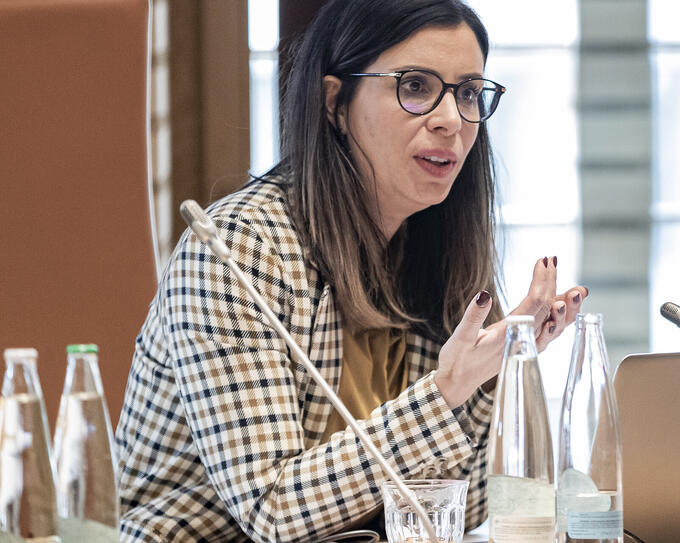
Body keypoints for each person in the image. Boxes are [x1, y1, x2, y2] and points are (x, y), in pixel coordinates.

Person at [115, 1, 587, 541]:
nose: (451, 119)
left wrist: (500, 373)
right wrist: (448, 389)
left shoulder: (432, 246)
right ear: (335, 102)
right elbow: (276, 512)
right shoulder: (240, 250)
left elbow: (468, 502)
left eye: (468, 92)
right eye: (414, 86)